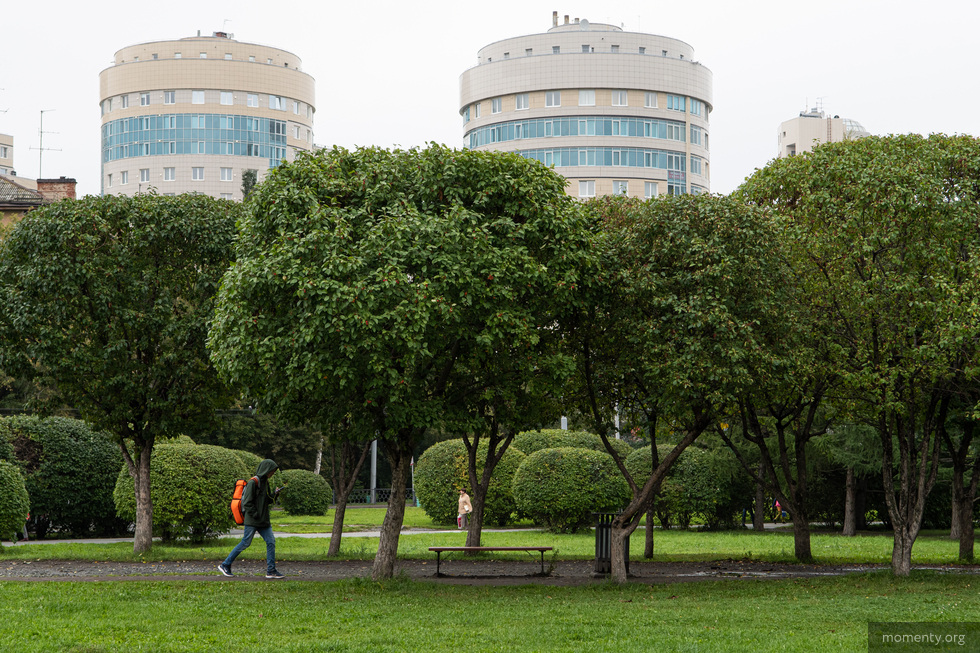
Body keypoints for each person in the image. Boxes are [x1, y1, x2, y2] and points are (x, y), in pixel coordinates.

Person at [219, 459, 285, 579]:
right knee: (245, 543)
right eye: (272, 471)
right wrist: (255, 515)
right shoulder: (253, 482)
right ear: (266, 469)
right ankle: (225, 564)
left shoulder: (266, 482)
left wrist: (276, 494)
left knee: (271, 542)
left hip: (263, 520)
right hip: (253, 520)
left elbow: (267, 500)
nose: (272, 473)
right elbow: (247, 502)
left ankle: (271, 570)